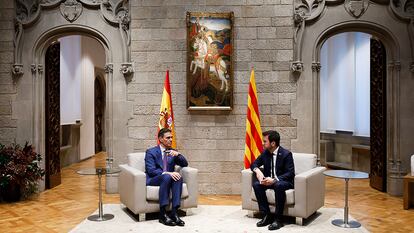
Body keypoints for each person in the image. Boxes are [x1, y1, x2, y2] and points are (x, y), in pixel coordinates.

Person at [250, 130, 295, 230]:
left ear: (273, 143)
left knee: (278, 185)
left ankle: (278, 219)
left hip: (283, 182)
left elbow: (290, 173)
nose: (263, 143)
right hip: (269, 181)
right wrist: (258, 171)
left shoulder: (286, 154)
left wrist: (274, 179)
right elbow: (253, 164)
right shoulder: (265, 153)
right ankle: (267, 215)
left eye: (265, 141)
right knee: (257, 185)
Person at [145, 128, 188, 226]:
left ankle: (174, 212)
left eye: (171, 137)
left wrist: (179, 155)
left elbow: (185, 164)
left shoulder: (172, 152)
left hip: (167, 178)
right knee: (168, 177)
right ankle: (162, 214)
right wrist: (167, 173)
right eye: (168, 138)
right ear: (160, 139)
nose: (171, 140)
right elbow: (151, 170)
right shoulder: (151, 152)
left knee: (178, 177)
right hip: (154, 179)